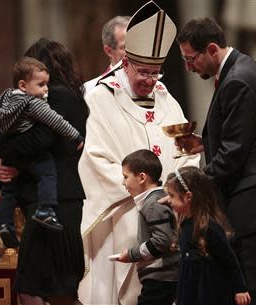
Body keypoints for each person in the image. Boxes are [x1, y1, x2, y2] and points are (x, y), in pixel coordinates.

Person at [77, 2, 199, 304]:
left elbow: (186, 151)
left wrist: (174, 194)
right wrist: (143, 193)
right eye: (143, 71)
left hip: (169, 211)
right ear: (125, 62)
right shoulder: (99, 98)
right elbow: (93, 159)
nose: (150, 80)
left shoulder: (165, 98)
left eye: (155, 73)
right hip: (123, 212)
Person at [175, 17, 256, 305]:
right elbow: (240, 136)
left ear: (211, 49)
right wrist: (202, 143)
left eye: (190, 59)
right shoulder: (238, 69)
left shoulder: (238, 81)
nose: (188, 67)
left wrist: (191, 188)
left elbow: (233, 153)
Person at [0, 38, 88, 305]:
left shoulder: (53, 97)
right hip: (64, 201)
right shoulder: (74, 97)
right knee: (60, 290)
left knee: (32, 288)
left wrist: (4, 154)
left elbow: (40, 141)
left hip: (51, 203)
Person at [0, 56, 84, 248]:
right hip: (31, 152)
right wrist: (76, 136)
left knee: (9, 190)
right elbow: (56, 121)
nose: (46, 89)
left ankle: (4, 224)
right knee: (47, 172)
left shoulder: (1, 101)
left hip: (10, 152)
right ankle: (46, 209)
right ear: (24, 85)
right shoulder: (34, 103)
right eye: (41, 84)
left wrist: (0, 153)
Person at [165, 166, 251, 305]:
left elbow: (229, 260)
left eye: (172, 195)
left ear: (188, 197)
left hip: (210, 291)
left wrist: (240, 288)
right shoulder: (184, 223)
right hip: (189, 289)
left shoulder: (210, 227)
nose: (168, 200)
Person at [115, 149, 179, 305]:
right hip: (162, 276)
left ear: (142, 177)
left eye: (126, 177)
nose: (123, 183)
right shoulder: (155, 199)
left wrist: (131, 254)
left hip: (161, 276)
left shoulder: (152, 204)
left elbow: (162, 240)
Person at [83, 15, 130, 98]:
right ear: (109, 51)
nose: (135, 53)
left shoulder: (156, 87)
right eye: (126, 47)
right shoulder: (90, 89)